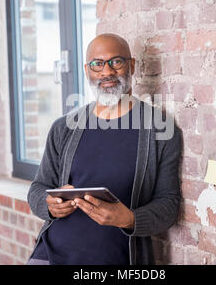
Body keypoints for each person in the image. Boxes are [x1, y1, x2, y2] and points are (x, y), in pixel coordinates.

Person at [26, 33, 182, 265]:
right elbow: (38, 188)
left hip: (119, 259)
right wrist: (50, 206)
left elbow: (169, 204)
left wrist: (130, 218)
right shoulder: (63, 128)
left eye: (116, 62)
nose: (107, 72)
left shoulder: (160, 130)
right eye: (98, 64)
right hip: (50, 256)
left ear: (131, 65)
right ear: (87, 70)